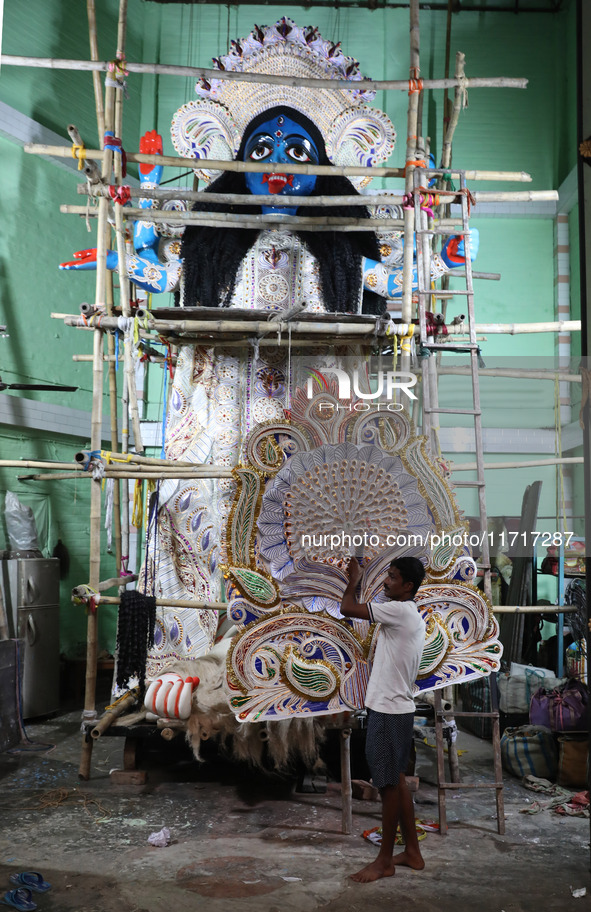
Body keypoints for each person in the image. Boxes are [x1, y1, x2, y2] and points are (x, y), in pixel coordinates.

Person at [59, 18, 475, 682]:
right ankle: (200, 671)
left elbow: (401, 287)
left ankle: (313, 675)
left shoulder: (346, 253)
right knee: (196, 521)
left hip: (312, 434)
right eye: (263, 147)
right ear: (234, 158)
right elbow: (158, 281)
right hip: (219, 432)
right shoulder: (204, 249)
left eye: (299, 151)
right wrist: (117, 260)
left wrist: (444, 251)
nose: (279, 163)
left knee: (314, 543)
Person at [341, 554, 427, 883]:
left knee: (388, 787)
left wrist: (354, 579)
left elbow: (348, 608)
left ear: (407, 586)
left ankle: (384, 861)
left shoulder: (400, 611)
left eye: (392, 577)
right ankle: (413, 853)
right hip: (395, 710)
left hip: (389, 712)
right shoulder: (408, 614)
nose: (386, 582)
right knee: (397, 783)